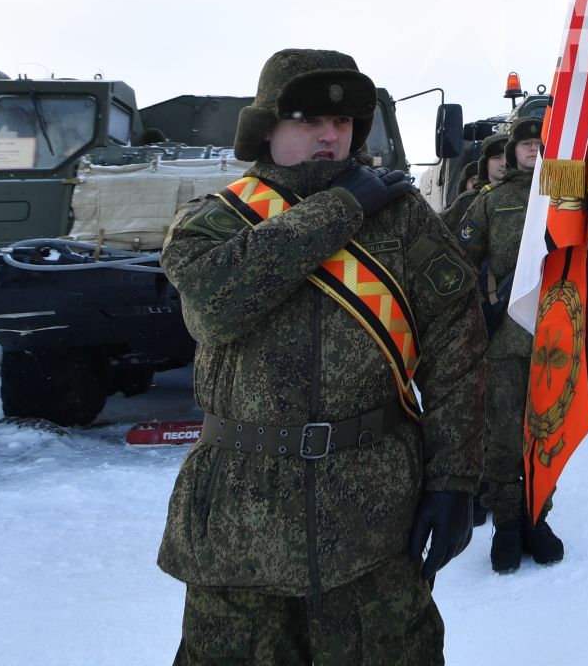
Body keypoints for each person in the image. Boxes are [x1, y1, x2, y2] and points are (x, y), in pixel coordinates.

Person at [156, 48, 487, 664]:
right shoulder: (213, 221)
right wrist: (341, 208)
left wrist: (455, 482)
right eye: (309, 119)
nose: (332, 134)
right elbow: (213, 307)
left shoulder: (404, 220)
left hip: (372, 519)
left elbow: (457, 355)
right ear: (267, 129)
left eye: (346, 121)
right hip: (238, 527)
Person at [454, 114, 563, 572]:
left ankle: (537, 517)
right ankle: (506, 523)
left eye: (542, 143)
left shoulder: (567, 198)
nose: (534, 151)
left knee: (547, 432)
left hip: (556, 334)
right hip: (504, 339)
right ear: (514, 150)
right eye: (526, 145)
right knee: (502, 436)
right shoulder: (492, 202)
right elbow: (461, 260)